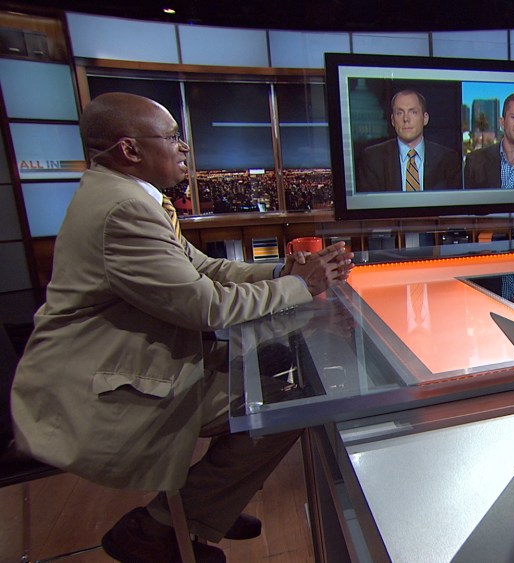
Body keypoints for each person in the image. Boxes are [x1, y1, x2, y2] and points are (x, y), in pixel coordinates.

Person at [9, 92, 354, 562]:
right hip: (111, 382)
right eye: (172, 136)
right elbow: (205, 306)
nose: (184, 146)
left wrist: (282, 271)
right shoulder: (124, 210)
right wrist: (300, 286)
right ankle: (166, 524)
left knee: (274, 365)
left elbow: (205, 269)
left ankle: (210, 502)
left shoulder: (127, 195)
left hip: (128, 358)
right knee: (291, 400)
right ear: (130, 149)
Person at [356, 89, 461, 192]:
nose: (406, 119)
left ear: (425, 118)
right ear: (393, 120)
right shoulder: (373, 159)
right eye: (399, 113)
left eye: (413, 112)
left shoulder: (448, 159)